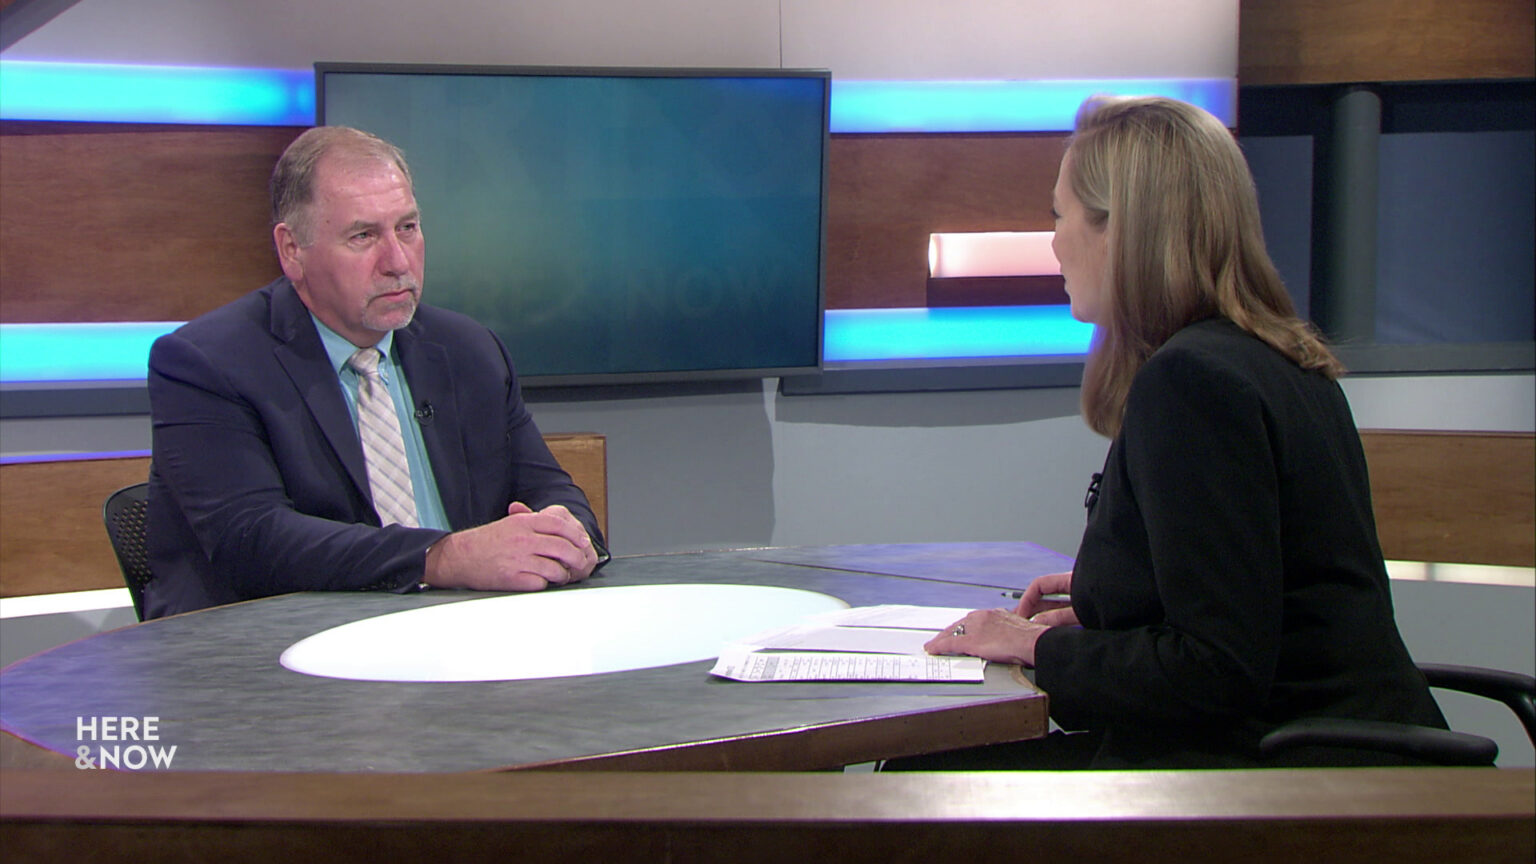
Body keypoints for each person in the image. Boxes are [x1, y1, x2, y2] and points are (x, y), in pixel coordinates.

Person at [909, 96, 1446, 768]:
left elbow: (1213, 671)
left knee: (917, 785)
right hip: (1345, 756)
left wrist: (1034, 646)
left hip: (1285, 782)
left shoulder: (1193, 382)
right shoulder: (1278, 358)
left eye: (1060, 214)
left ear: (1121, 230)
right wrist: (1121, 598)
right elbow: (1263, 600)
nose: (1053, 240)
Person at [143, 126, 606, 619]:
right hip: (278, 655)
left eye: (407, 227)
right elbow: (251, 540)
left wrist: (565, 533)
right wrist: (442, 558)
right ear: (292, 249)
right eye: (363, 236)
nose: (397, 261)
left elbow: (550, 489)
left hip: (466, 640)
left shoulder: (468, 350)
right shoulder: (205, 363)